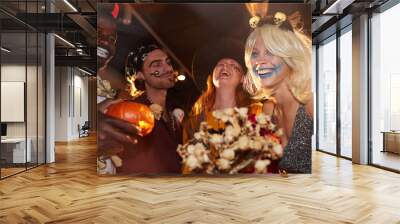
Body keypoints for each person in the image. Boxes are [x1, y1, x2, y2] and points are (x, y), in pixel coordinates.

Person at [243, 12, 313, 173]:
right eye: (255, 53)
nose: (260, 61)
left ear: (289, 55)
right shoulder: (269, 110)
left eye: (270, 51)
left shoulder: (309, 102)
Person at [98, 44, 182, 174]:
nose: (168, 68)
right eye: (156, 64)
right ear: (140, 75)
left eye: (168, 62)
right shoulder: (129, 112)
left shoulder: (174, 117)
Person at [183, 39, 252, 144]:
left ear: (243, 78)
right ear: (212, 75)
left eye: (234, 66)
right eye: (220, 64)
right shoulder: (193, 123)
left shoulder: (255, 113)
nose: (225, 67)